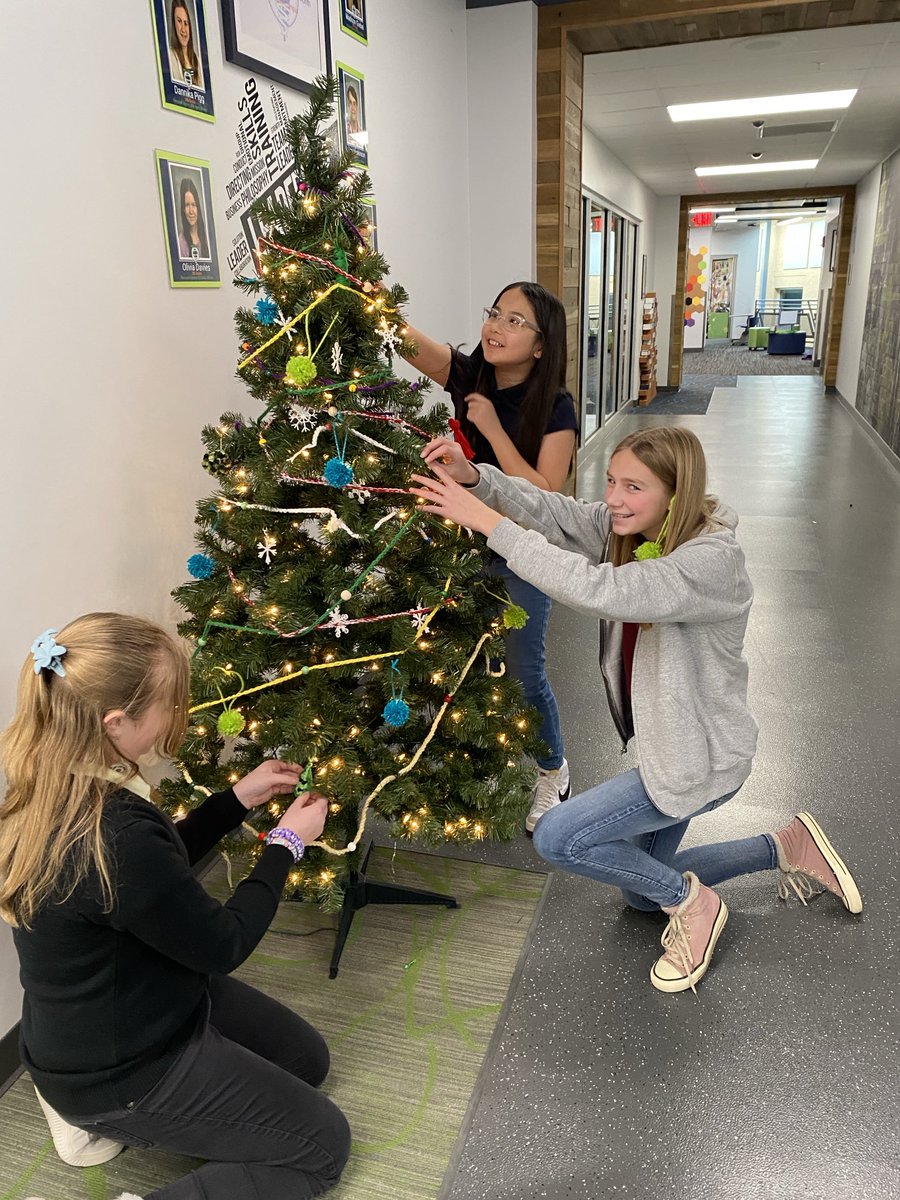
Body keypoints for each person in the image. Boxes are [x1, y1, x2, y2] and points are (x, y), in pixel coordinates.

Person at [410, 426, 862, 994]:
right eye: (611, 482)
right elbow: (557, 512)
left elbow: (606, 591)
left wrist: (488, 524)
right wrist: (479, 479)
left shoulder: (707, 563)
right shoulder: (642, 529)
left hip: (700, 759)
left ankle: (695, 907)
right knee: (637, 892)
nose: (615, 499)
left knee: (559, 837)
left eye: (634, 487)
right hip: (674, 748)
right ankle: (783, 845)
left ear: (677, 494)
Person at [1, 613, 350, 1198]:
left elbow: (150, 877)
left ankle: (89, 1102)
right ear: (117, 723)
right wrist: (288, 842)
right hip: (121, 1067)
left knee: (305, 1061)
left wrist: (234, 801)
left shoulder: (54, 780)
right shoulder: (112, 831)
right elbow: (224, 944)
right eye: (169, 704)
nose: (178, 717)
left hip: (124, 1007)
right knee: (322, 1148)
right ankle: (98, 1115)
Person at [403, 283, 578, 834]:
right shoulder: (468, 375)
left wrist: (493, 431)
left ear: (542, 345)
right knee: (455, 658)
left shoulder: (556, 408)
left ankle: (554, 770)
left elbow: (547, 498)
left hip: (524, 552)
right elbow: (401, 338)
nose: (496, 328)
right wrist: (353, 284)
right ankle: (470, 762)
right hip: (459, 543)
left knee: (525, 674)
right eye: (494, 314)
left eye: (515, 321)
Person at [167, 0, 204, 90]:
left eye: (186, 23)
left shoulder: (197, 60)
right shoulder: (170, 56)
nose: (183, 29)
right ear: (173, 24)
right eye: (179, 21)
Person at [176, 176, 209, 261]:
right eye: (187, 205)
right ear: (183, 209)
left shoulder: (208, 237)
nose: (191, 211)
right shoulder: (180, 243)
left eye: (193, 205)